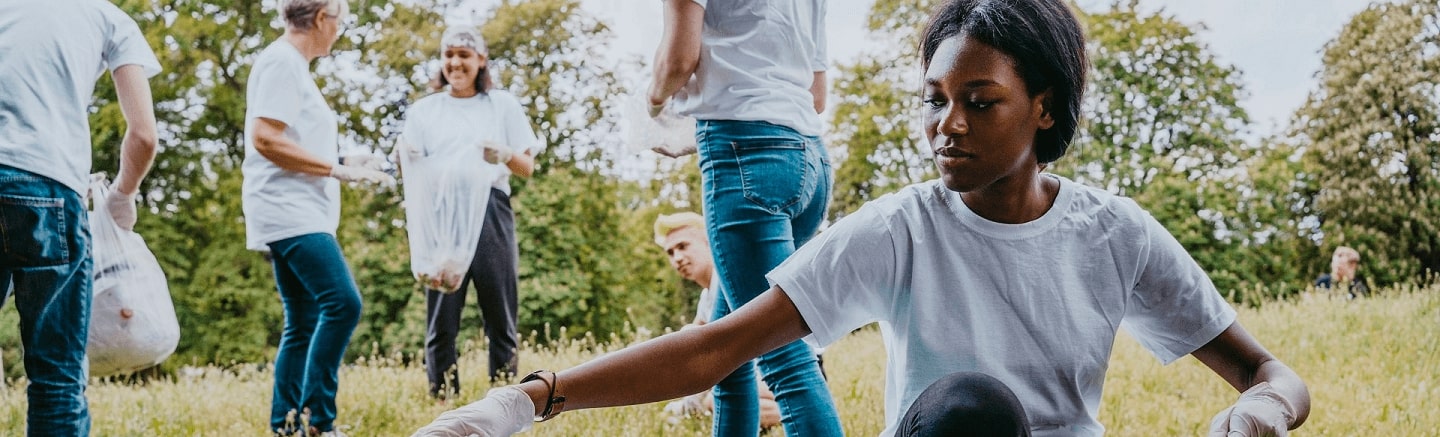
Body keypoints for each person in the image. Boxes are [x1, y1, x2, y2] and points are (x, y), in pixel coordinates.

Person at [411, 0, 1313, 436]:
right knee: (966, 409)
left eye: (979, 101)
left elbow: (1271, 372)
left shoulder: (1113, 234)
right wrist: (526, 400)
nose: (945, 125)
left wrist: (1265, 409)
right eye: (934, 99)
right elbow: (719, 345)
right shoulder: (904, 227)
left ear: (1044, 107)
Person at [645, 0, 843, 435]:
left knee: (782, 358)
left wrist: (652, 102)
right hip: (809, 160)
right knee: (726, 350)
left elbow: (678, 59)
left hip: (744, 153)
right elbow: (818, 94)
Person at [0, 0, 160, 434]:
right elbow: (144, 135)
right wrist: (123, 195)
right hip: (47, 184)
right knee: (56, 378)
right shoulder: (106, 16)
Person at [242, 0, 392, 434]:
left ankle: (285, 424)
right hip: (290, 212)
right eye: (340, 21)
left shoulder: (291, 67)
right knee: (343, 303)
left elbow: (293, 139)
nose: (341, 30)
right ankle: (317, 420)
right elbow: (266, 139)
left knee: (304, 322)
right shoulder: (282, 63)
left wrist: (350, 159)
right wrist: (335, 169)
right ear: (322, 18)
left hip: (295, 211)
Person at [399, 26, 543, 399]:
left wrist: (504, 154)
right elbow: (409, 166)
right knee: (442, 315)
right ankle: (443, 399)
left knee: (499, 310)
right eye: (449, 55)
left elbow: (527, 166)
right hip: (443, 217)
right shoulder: (425, 111)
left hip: (490, 211)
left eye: (464, 54)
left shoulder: (502, 105)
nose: (455, 62)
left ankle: (505, 398)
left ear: (481, 60)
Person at [653, 212, 780, 430]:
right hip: (755, 374)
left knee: (716, 399)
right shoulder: (707, 296)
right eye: (671, 253)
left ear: (708, 243)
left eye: (683, 246)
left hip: (780, 370)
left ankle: (800, 413)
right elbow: (691, 343)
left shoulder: (731, 280)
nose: (677, 258)